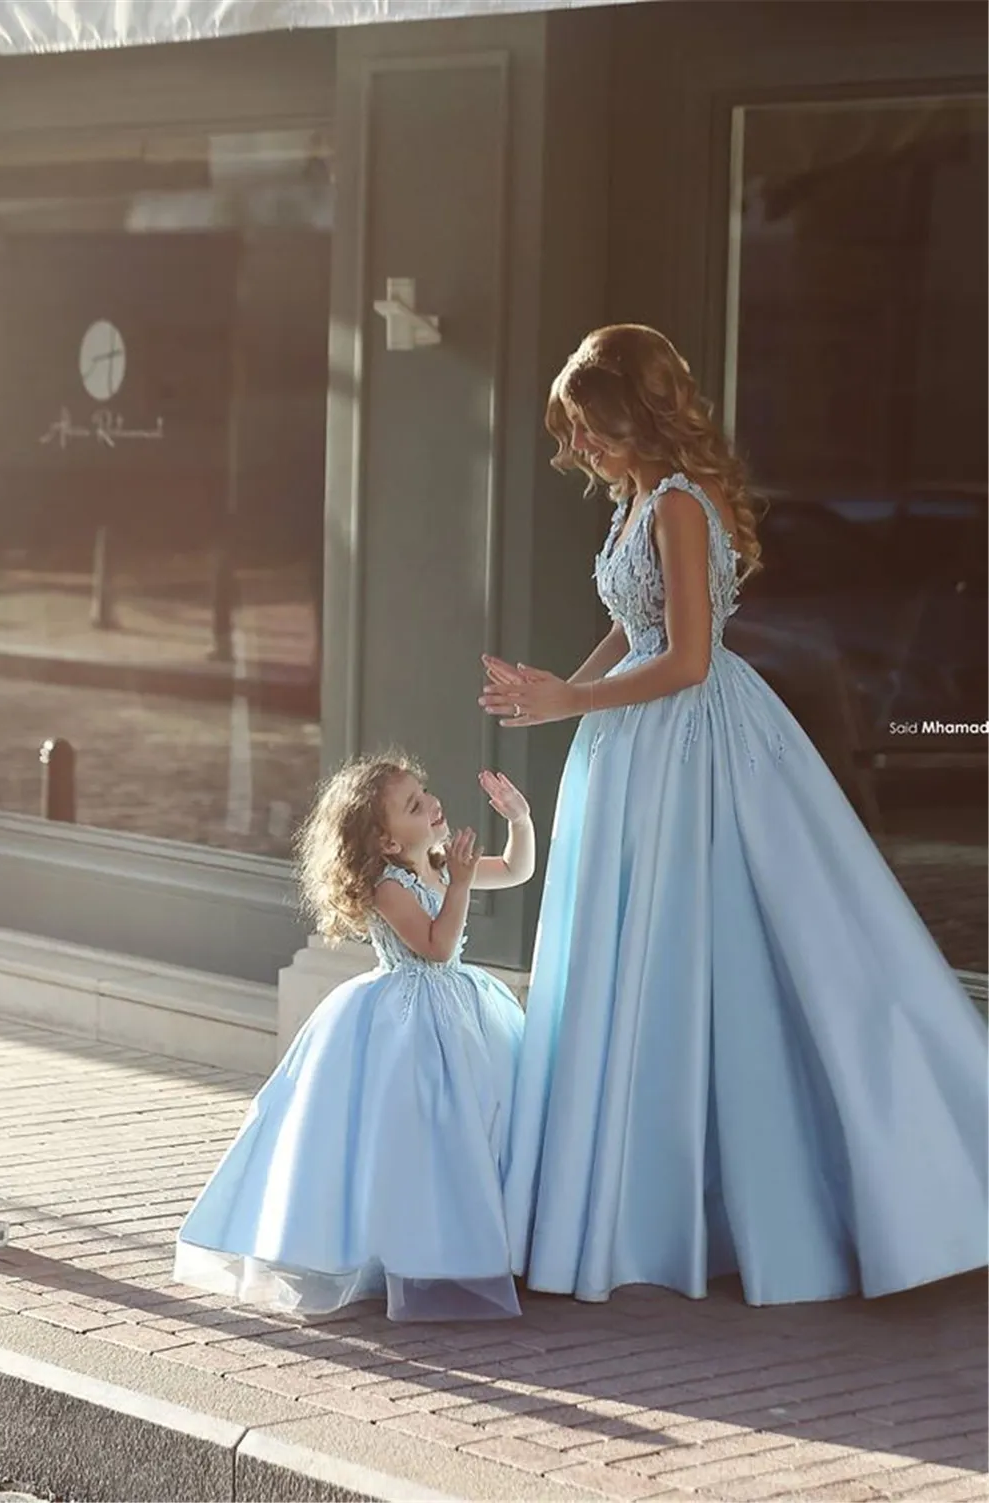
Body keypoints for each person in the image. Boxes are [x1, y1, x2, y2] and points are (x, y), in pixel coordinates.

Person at [481, 323, 987, 1307]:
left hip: (689, 750)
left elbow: (688, 661)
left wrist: (572, 703)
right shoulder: (639, 501)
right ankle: (628, 1203)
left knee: (705, 960)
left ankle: (784, 1199)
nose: (577, 449)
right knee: (636, 960)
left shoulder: (677, 504)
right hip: (632, 751)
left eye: (590, 428)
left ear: (635, 415)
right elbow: (637, 634)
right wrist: (552, 690)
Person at [174, 756, 534, 1321]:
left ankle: (485, 1239)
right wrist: (459, 884)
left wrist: (519, 819)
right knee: (412, 1137)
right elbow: (435, 947)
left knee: (476, 1123)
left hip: (463, 1010)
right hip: (409, 1015)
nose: (431, 803)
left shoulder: (438, 863)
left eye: (425, 792)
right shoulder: (388, 887)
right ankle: (405, 1251)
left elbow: (516, 870)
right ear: (386, 842)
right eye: (413, 805)